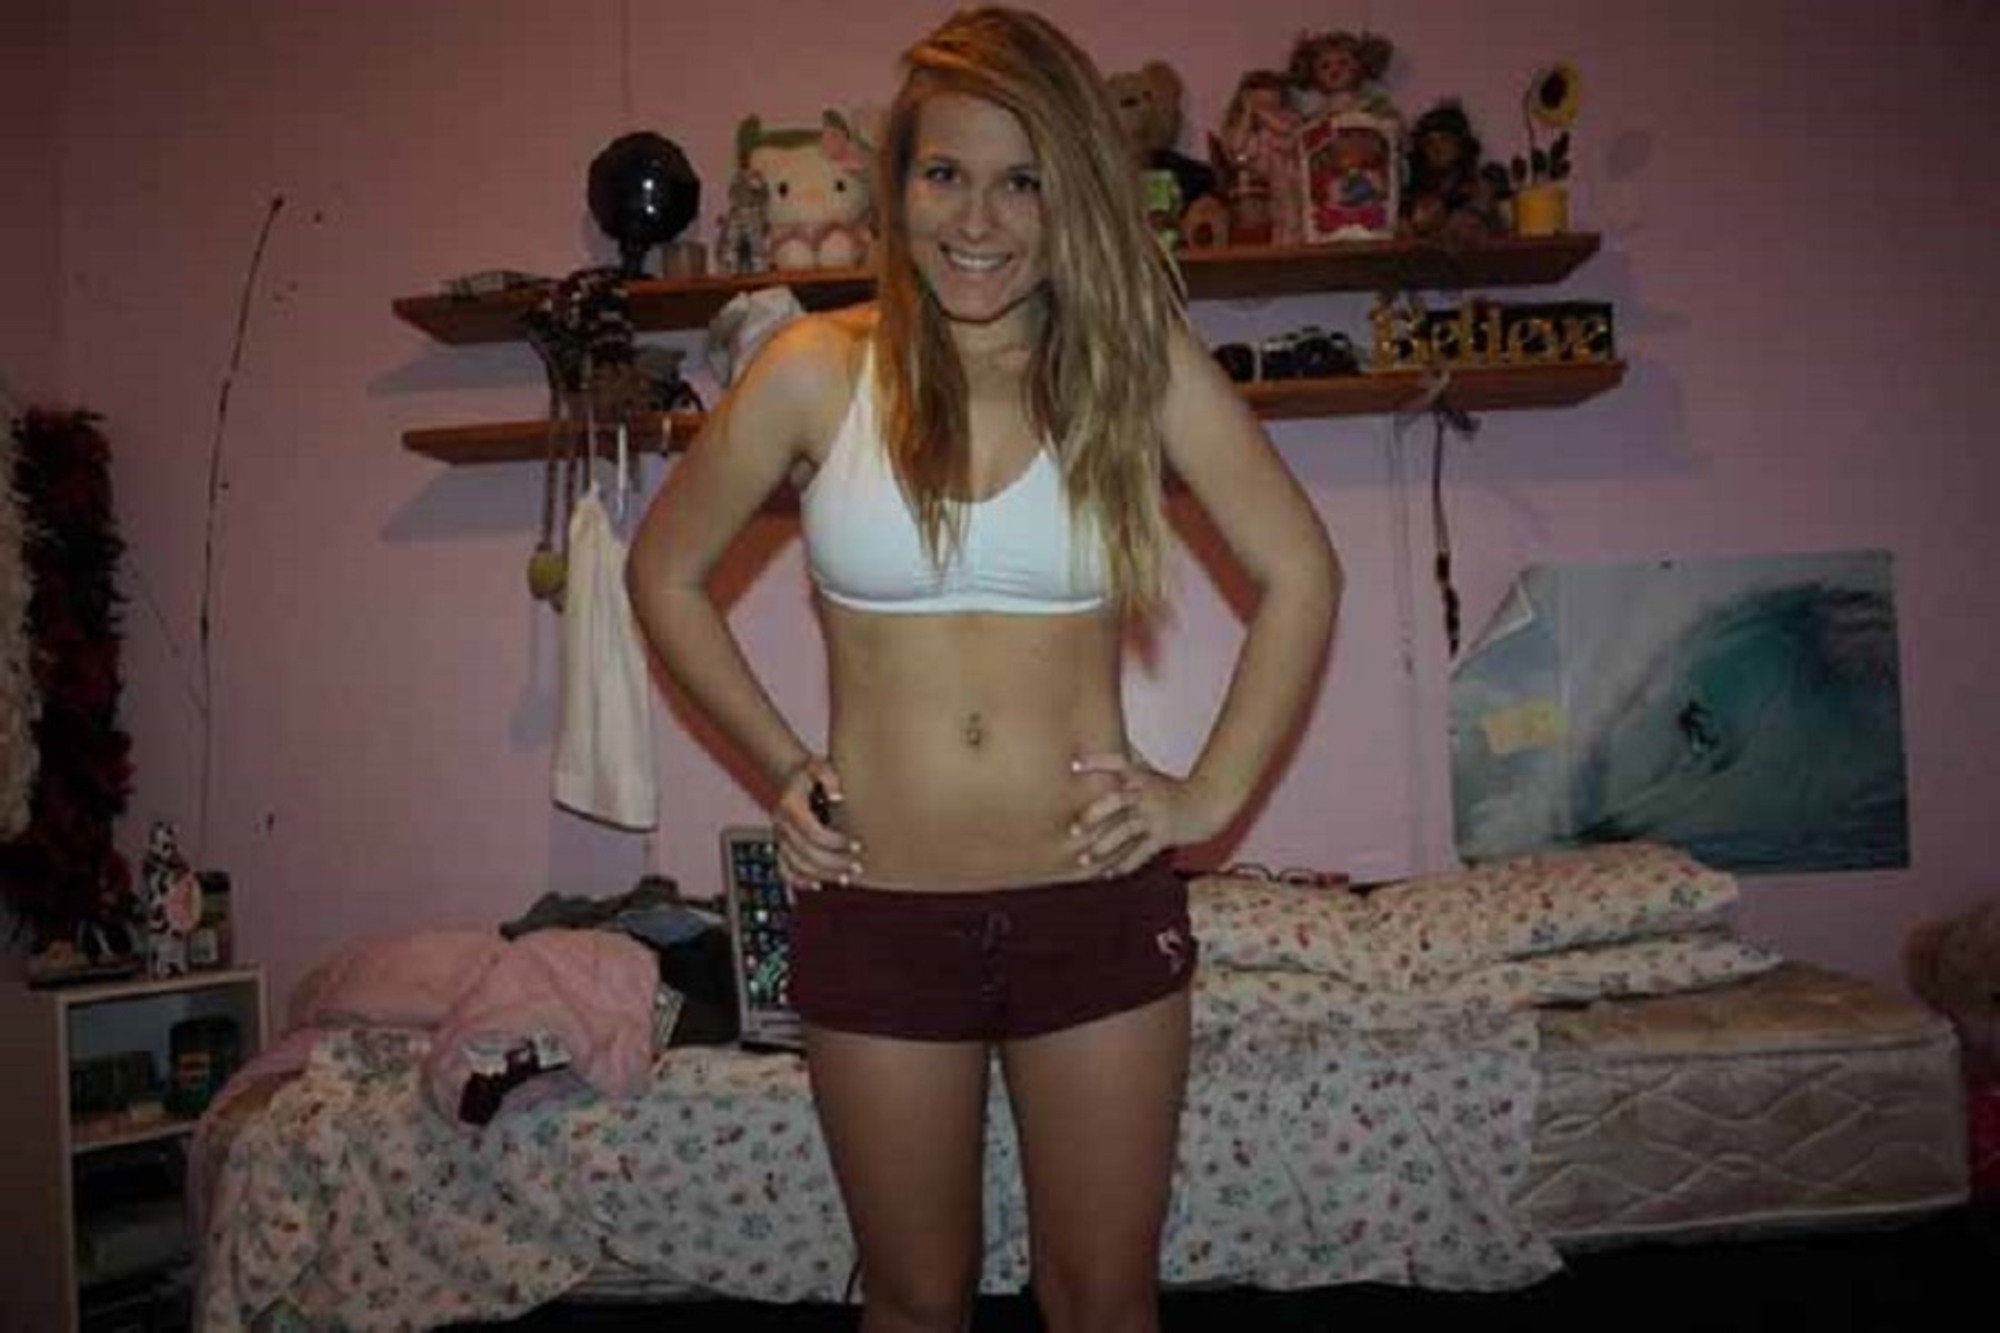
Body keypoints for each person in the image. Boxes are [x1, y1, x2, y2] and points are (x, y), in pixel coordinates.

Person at [625, 8, 1340, 1332]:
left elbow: (1303, 570)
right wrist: (783, 766)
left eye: (1024, 182)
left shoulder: (1133, 368)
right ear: (895, 186)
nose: (979, 219)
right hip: (877, 904)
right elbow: (662, 573)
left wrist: (1208, 797)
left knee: (1101, 1297)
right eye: (946, 173)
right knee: (913, 1299)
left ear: (1074, 198)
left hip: (1093, 902)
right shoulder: (810, 372)